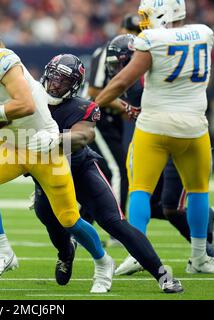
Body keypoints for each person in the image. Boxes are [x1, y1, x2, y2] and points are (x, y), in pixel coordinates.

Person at [0, 16, 115, 293]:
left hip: (42, 144)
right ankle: (4, 252)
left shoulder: (3, 59)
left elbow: (24, 105)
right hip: (12, 144)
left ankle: (102, 260)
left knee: (69, 220)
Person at [94, 0, 214, 274]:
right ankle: (200, 257)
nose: (143, 21)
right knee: (198, 191)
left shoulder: (151, 38)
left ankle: (136, 254)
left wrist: (95, 103)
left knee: (140, 189)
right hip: (194, 126)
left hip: (155, 125)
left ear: (163, 12)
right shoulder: (204, 33)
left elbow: (122, 81)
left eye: (146, 15)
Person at [32, 53, 182, 293]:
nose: (56, 84)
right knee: (53, 222)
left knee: (115, 223)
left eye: (64, 81)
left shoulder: (81, 106)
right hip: (47, 175)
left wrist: (56, 139)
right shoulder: (30, 101)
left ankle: (163, 275)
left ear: (75, 86)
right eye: (54, 78)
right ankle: (66, 253)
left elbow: (85, 135)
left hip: (80, 168)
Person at [86, 14, 142, 247]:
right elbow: (93, 92)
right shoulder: (107, 52)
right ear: (121, 28)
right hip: (96, 118)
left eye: (139, 31)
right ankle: (118, 228)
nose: (136, 35)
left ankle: (82, 222)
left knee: (104, 174)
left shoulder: (141, 55)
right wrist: (125, 107)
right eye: (132, 29)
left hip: (112, 121)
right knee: (117, 170)